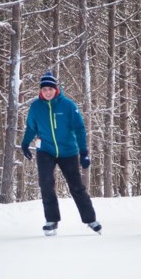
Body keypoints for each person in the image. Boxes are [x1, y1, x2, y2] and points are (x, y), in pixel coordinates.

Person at [20, 71, 102, 236]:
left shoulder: (68, 106)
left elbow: (79, 129)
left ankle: (90, 220)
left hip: (68, 151)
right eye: (44, 89)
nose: (47, 92)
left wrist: (84, 152)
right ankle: (51, 220)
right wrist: (25, 143)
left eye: (50, 88)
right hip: (46, 151)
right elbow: (31, 127)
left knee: (76, 186)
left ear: (56, 89)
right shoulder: (36, 107)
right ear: (40, 91)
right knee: (46, 183)